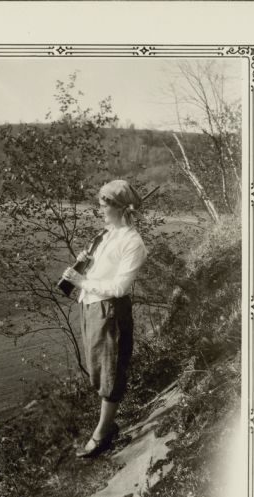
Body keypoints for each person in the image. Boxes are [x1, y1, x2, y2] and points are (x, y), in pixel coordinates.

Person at [62, 179, 148, 458]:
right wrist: (85, 262)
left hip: (110, 311)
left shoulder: (133, 242)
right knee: (98, 370)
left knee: (109, 371)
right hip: (91, 307)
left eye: (103, 206)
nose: (99, 210)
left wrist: (82, 280)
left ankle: (103, 433)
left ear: (120, 208)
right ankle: (109, 427)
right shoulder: (106, 234)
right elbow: (102, 271)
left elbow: (120, 289)